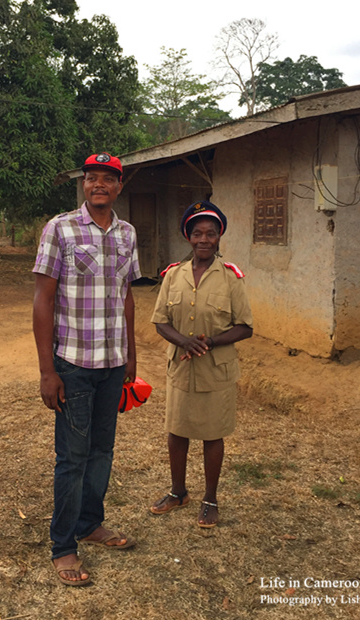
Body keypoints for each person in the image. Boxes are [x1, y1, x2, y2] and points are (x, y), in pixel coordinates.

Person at [32, 152, 141, 586]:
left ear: (119, 186)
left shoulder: (128, 233)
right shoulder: (59, 228)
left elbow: (127, 295)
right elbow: (43, 298)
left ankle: (90, 523)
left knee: (102, 452)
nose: (99, 185)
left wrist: (132, 355)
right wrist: (47, 370)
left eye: (107, 179)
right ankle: (64, 546)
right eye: (92, 178)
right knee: (72, 457)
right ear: (84, 185)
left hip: (113, 363)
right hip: (73, 363)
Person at [149, 200, 253, 528]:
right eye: (197, 233)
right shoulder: (173, 275)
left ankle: (210, 498)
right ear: (188, 237)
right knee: (177, 431)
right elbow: (160, 320)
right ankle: (178, 492)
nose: (204, 239)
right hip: (181, 367)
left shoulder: (231, 278)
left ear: (219, 236)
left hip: (216, 371)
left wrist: (211, 341)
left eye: (210, 233)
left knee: (212, 435)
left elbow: (245, 326)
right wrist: (183, 340)